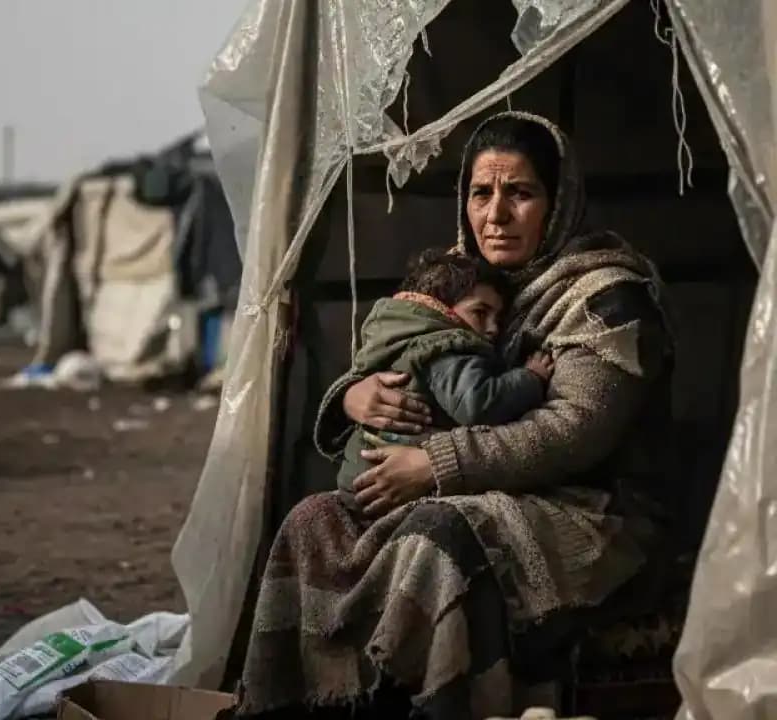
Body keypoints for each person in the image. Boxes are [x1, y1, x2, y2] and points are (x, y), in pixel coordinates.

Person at [238, 112, 674, 720]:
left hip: (589, 505)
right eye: (480, 193)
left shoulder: (604, 295)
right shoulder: (460, 279)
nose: (495, 215)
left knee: (442, 536)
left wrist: (437, 463)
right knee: (315, 521)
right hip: (478, 485)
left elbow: (577, 431)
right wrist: (352, 394)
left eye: (519, 193)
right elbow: (399, 349)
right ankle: (304, 707)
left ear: (559, 201)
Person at [336, 249, 554, 506]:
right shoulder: (446, 346)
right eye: (480, 313)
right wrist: (531, 377)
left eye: (498, 319)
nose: (493, 328)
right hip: (397, 482)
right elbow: (479, 404)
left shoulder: (395, 336)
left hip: (358, 476)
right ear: (440, 307)